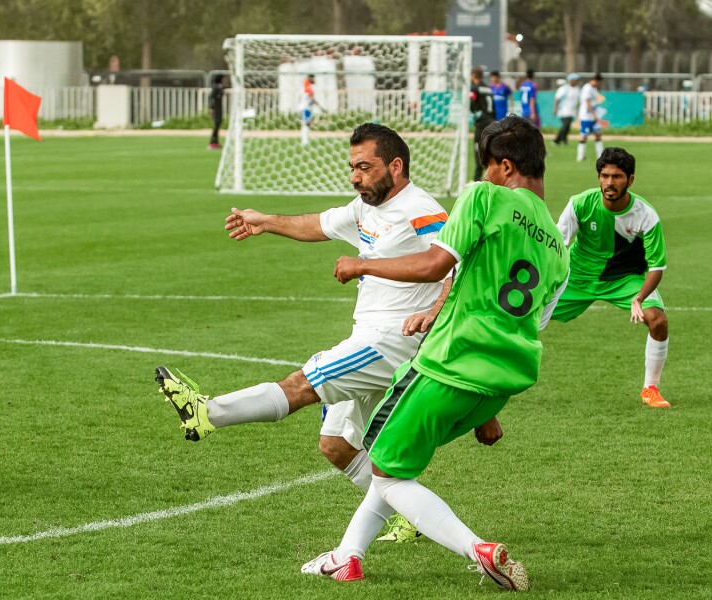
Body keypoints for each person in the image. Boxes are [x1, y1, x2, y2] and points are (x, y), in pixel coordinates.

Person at [299, 116, 569, 589]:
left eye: (486, 167)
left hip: (446, 365)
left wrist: (362, 262)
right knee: (394, 463)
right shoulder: (557, 245)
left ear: (504, 167)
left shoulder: (485, 196)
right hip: (501, 381)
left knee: (380, 465)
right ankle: (347, 557)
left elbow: (436, 264)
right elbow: (529, 316)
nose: (483, 176)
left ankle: (477, 549)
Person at [156, 122, 452, 543]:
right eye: (352, 167)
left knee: (303, 383)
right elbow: (317, 224)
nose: (355, 176)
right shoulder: (365, 206)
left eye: (364, 166)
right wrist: (264, 222)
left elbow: (452, 266)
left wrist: (434, 310)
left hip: (390, 342)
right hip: (369, 335)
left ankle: (208, 413)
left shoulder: (422, 209)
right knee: (335, 445)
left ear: (396, 165)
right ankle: (406, 514)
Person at [551, 147, 670, 408]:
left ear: (630, 179)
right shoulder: (580, 203)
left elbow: (656, 267)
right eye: (604, 176)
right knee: (525, 314)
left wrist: (639, 298)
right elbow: (557, 245)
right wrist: (548, 282)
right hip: (578, 276)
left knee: (658, 320)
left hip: (625, 280)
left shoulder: (646, 215)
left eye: (617, 177)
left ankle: (650, 389)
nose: (609, 182)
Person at [469, 67, 495, 182]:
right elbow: (493, 107)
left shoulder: (475, 88)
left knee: (478, 150)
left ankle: (476, 180)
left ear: (473, 76)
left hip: (481, 124)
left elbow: (472, 104)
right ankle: (489, 177)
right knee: (489, 149)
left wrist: (475, 113)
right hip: (491, 121)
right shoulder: (488, 88)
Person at [577, 73, 605, 161]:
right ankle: (580, 156)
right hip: (587, 116)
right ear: (596, 81)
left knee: (598, 135)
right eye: (599, 82)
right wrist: (594, 115)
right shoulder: (587, 88)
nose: (600, 84)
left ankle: (600, 156)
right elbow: (587, 102)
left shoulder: (594, 89)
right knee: (584, 136)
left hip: (594, 116)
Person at [553, 73, 582, 145]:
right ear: (571, 80)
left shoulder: (578, 89)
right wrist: (555, 109)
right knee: (565, 125)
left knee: (567, 127)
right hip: (564, 110)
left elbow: (579, 101)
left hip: (572, 111)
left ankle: (562, 140)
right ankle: (557, 140)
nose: (577, 81)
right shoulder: (564, 88)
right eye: (576, 80)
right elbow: (557, 99)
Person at [299, 74, 322, 146]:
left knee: (307, 124)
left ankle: (306, 140)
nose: (315, 80)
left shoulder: (306, 86)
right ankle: (304, 141)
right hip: (306, 108)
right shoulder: (308, 87)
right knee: (306, 124)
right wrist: (320, 106)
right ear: (310, 79)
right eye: (313, 78)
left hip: (306, 108)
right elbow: (311, 98)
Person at [208, 74, 225, 150]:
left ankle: (216, 141)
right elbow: (211, 97)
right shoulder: (216, 86)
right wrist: (211, 107)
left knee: (218, 124)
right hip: (216, 108)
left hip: (219, 107)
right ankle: (213, 142)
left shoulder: (220, 86)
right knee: (216, 123)